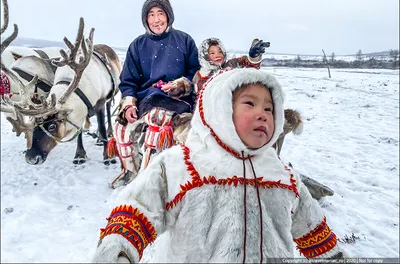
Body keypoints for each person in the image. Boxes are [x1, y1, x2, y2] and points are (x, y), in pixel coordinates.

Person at [93, 68, 346, 263]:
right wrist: (116, 251)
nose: (263, 114)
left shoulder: (283, 175)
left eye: (269, 108)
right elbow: (136, 212)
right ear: (218, 109)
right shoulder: (181, 165)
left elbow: (314, 231)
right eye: (250, 104)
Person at [107, 0, 200, 188]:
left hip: (175, 99)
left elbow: (195, 74)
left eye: (160, 14)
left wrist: (180, 84)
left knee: (157, 123)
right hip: (145, 98)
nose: (156, 19)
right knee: (121, 128)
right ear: (145, 19)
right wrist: (129, 103)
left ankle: (148, 179)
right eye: (151, 15)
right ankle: (130, 171)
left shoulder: (184, 40)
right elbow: (128, 80)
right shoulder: (138, 45)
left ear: (169, 16)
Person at [193, 37, 270, 94]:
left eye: (220, 52)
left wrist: (254, 56)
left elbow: (250, 65)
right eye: (212, 53)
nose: (218, 55)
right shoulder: (199, 76)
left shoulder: (231, 65)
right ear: (204, 56)